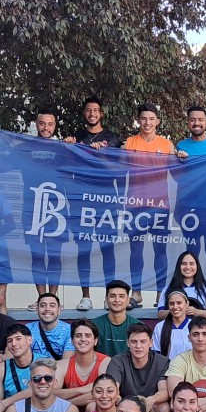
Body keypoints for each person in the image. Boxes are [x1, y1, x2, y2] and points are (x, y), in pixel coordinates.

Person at [65, 99, 124, 308]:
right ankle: (86, 297)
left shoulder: (113, 139)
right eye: (88, 110)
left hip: (107, 199)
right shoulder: (76, 138)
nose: (92, 113)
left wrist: (102, 156)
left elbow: (121, 172)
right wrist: (69, 149)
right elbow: (68, 168)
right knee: (85, 249)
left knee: (107, 249)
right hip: (82, 200)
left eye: (96, 110)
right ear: (84, 113)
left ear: (101, 114)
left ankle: (110, 297)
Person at [123, 103, 176, 309]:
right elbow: (115, 166)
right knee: (135, 251)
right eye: (143, 118)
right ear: (138, 120)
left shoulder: (167, 145)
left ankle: (159, 294)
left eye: (151, 119)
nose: (147, 122)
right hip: (134, 203)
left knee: (159, 251)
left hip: (160, 204)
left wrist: (181, 158)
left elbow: (181, 172)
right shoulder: (129, 142)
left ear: (157, 122)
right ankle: (136, 294)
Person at [104, 323, 171, 412]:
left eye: (143, 341)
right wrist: (118, 398)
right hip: (124, 407)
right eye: (134, 341)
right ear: (128, 343)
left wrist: (151, 400)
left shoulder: (162, 362)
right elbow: (113, 387)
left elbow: (164, 390)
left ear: (151, 342)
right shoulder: (118, 361)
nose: (138, 346)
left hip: (149, 407)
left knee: (164, 408)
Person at [57, 320, 111, 409]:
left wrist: (67, 404)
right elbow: (52, 393)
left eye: (88, 335)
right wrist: (81, 390)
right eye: (78, 336)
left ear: (95, 341)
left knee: (92, 406)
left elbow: (101, 393)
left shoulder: (105, 362)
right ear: (72, 341)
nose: (83, 339)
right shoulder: (62, 365)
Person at [157, 251, 206, 322]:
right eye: (184, 264)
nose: (188, 267)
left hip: (199, 330)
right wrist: (178, 310)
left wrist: (196, 312)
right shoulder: (168, 289)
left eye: (191, 264)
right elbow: (160, 315)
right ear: (178, 266)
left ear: (197, 266)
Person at [91, 280, 141, 357]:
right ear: (106, 299)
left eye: (121, 296)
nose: (117, 300)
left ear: (128, 300)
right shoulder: (94, 325)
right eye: (112, 296)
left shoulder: (138, 326)